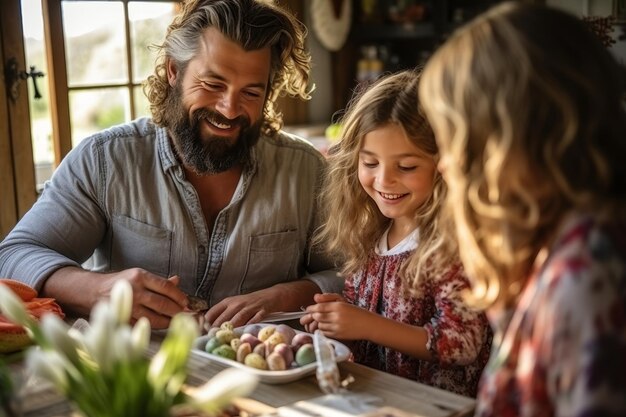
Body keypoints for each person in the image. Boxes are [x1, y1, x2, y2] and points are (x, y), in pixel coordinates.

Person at [0, 0, 342, 329]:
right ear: (174, 71)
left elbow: (354, 275)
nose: (229, 109)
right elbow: (13, 256)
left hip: (273, 381)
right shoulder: (105, 160)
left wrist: (292, 294)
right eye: (212, 84)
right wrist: (98, 290)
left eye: (251, 93)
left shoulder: (306, 171)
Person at [418, 2, 626, 415]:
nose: (445, 163)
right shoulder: (561, 242)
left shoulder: (586, 277)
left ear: (506, 143)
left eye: (454, 139)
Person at [300, 70, 492, 397]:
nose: (384, 180)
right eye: (370, 163)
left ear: (444, 166)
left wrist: (365, 324)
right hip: (380, 400)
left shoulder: (452, 246)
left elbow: (461, 344)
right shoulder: (371, 236)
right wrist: (340, 322)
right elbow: (372, 334)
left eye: (406, 167)